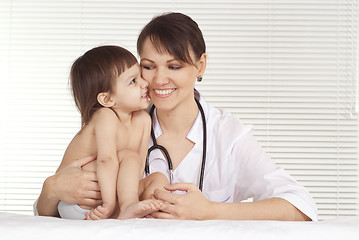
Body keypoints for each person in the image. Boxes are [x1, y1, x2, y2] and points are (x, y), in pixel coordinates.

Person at [35, 12, 318, 221]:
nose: (159, 80)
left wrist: (211, 211)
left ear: (200, 66)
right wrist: (51, 189)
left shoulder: (227, 134)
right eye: (148, 66)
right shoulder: (119, 120)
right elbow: (51, 216)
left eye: (174, 66)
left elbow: (302, 207)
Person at [49, 45, 168, 220]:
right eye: (133, 81)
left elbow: (137, 170)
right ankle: (126, 208)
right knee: (128, 155)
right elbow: (106, 160)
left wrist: (141, 195)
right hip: (79, 201)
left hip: (112, 193)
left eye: (140, 76)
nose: (145, 83)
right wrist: (109, 204)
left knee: (157, 179)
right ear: (107, 99)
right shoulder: (105, 116)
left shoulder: (144, 120)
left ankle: (143, 214)